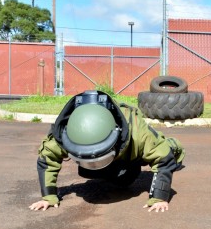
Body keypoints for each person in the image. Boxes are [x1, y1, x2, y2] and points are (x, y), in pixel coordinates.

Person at [29, 90, 185, 213]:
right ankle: (110, 169)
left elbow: (163, 158)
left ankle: (174, 145)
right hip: (117, 156)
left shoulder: (138, 133)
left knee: (164, 153)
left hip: (131, 154)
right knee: (111, 179)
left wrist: (158, 197)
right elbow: (47, 158)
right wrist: (48, 196)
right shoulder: (66, 133)